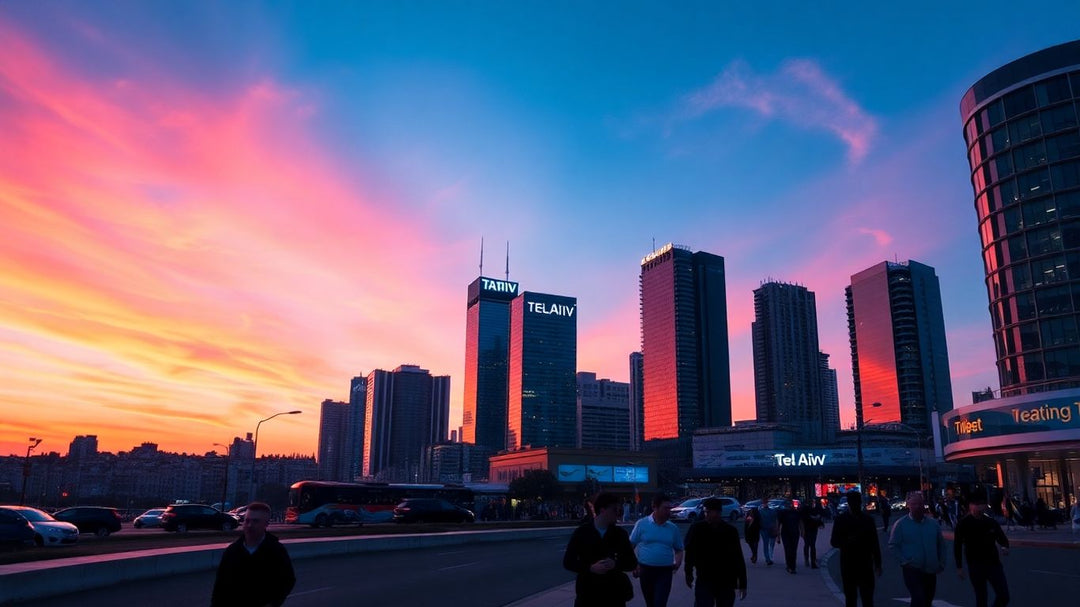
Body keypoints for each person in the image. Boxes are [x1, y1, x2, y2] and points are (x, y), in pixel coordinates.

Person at [210, 502, 296, 607]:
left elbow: (288, 580)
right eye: (247, 521)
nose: (249, 525)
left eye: (255, 521)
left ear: (266, 524)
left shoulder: (276, 551)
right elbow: (220, 586)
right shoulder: (232, 551)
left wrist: (273, 603)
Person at [563, 492, 638, 607]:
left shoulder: (620, 534)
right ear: (602, 510)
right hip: (587, 594)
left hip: (614, 595)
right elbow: (568, 562)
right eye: (614, 510)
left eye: (619, 510)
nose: (618, 513)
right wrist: (590, 568)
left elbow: (632, 563)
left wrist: (615, 564)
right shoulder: (582, 533)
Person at [684, 498, 747, 607]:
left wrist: (742, 583)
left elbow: (738, 557)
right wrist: (688, 573)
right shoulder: (697, 528)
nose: (706, 515)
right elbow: (690, 553)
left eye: (708, 512)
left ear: (718, 512)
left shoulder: (730, 531)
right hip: (705, 578)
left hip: (725, 580)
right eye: (705, 512)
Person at [888, 492, 946, 607]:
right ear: (908, 505)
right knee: (919, 598)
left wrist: (941, 563)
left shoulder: (933, 524)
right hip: (912, 568)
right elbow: (893, 545)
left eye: (920, 504)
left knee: (928, 598)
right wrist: (904, 561)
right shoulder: (901, 524)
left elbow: (941, 545)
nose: (917, 507)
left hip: (930, 569)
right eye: (914, 504)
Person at [954, 493, 1010, 607]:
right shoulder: (964, 524)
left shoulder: (990, 522)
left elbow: (1002, 538)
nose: (978, 507)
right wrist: (959, 567)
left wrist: (1004, 547)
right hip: (975, 564)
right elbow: (957, 545)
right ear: (970, 506)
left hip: (993, 563)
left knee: (1004, 595)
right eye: (976, 505)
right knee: (981, 597)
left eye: (981, 505)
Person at [630, 493, 684, 607]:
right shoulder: (642, 524)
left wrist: (677, 562)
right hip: (645, 570)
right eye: (665, 508)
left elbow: (679, 549)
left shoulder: (672, 528)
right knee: (650, 603)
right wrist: (634, 565)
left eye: (670, 508)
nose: (668, 511)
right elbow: (631, 545)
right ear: (654, 507)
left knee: (660, 603)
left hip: (665, 571)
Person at [830, 491, 881, 607]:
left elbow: (874, 543)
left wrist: (878, 563)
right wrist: (878, 563)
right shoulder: (866, 520)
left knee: (858, 597)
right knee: (857, 597)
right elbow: (875, 543)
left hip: (855, 563)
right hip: (856, 562)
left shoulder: (844, 520)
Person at [799, 496, 825, 568]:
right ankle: (809, 561)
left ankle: (810, 561)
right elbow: (802, 520)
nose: (812, 504)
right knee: (810, 544)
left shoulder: (814, 509)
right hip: (808, 529)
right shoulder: (805, 510)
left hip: (812, 529)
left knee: (810, 545)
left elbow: (818, 518)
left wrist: (820, 523)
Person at [778, 498, 801, 574]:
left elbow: (800, 523)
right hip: (785, 533)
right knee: (788, 549)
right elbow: (779, 524)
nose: (790, 505)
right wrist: (778, 535)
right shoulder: (783, 513)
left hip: (794, 533)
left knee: (793, 550)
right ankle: (789, 566)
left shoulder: (796, 512)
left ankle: (792, 567)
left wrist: (802, 531)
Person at [756, 498, 779, 566]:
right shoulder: (773, 511)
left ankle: (768, 558)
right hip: (770, 529)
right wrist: (776, 528)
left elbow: (758, 521)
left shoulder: (760, 511)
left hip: (764, 529)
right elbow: (776, 520)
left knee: (766, 544)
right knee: (771, 544)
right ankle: (769, 557)